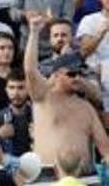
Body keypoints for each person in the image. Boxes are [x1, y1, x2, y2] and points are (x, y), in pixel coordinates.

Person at [26, 13, 109, 170]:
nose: (60, 38)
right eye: (55, 35)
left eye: (64, 35)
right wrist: (34, 32)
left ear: (72, 38)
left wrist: (78, 78)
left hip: (83, 169)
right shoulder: (43, 73)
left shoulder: (84, 70)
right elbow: (30, 72)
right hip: (48, 168)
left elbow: (97, 95)